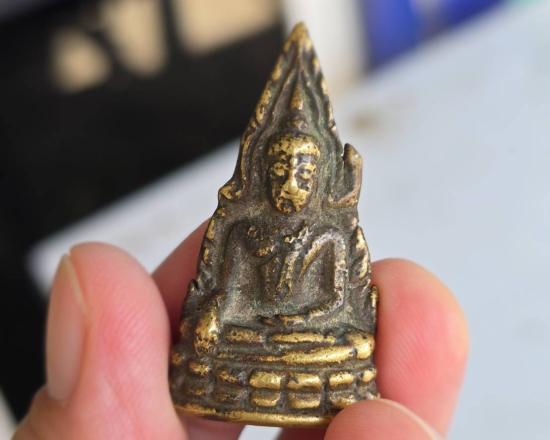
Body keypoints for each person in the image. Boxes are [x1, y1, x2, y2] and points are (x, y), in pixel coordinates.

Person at [13, 220, 468, 439]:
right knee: (207, 336)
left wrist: (299, 322)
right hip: (251, 335)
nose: (291, 182)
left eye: (303, 171)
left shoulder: (329, 236)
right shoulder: (245, 232)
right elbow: (227, 291)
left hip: (306, 337)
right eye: (281, 169)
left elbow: (334, 302)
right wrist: (213, 315)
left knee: (350, 343)